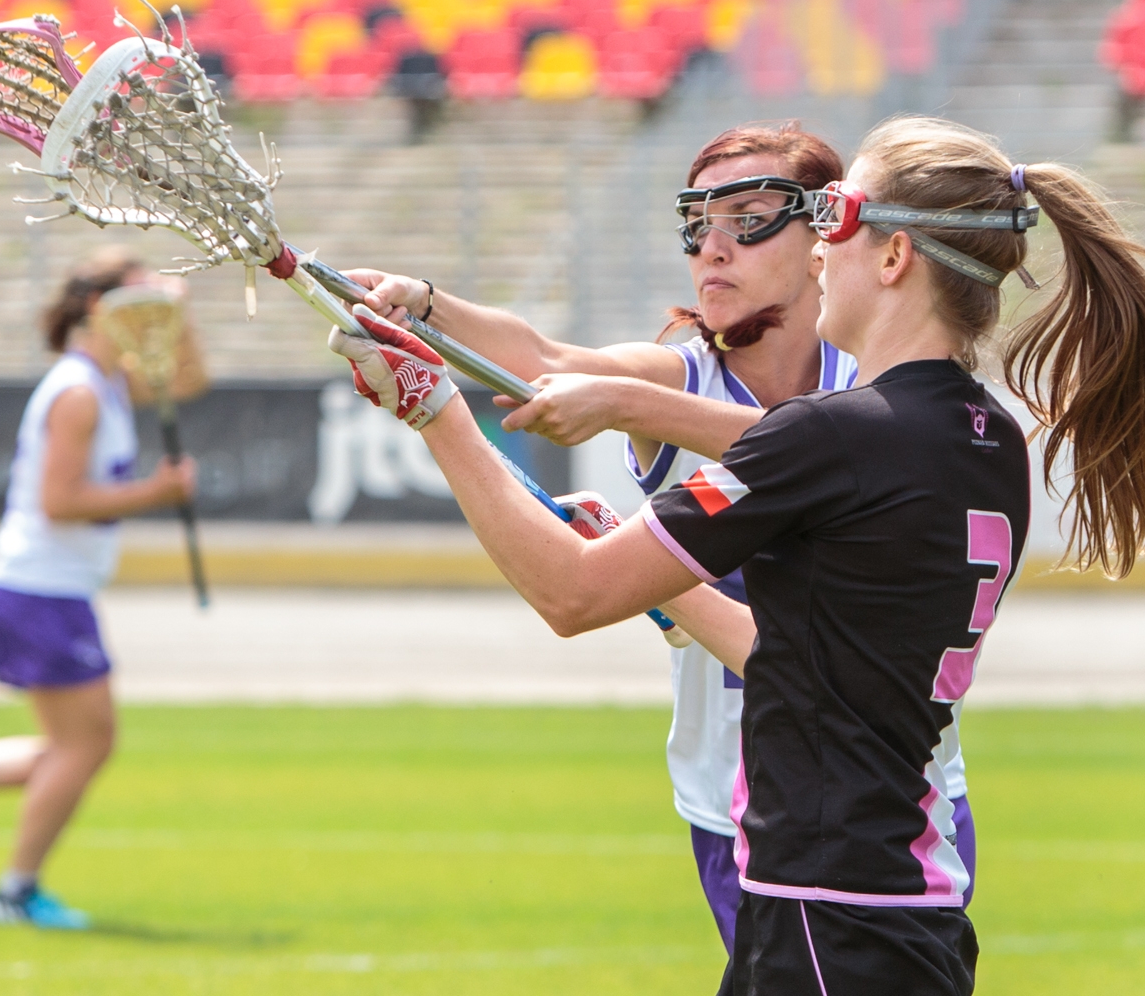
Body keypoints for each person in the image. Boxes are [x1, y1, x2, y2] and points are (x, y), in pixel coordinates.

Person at [327, 115, 1145, 994]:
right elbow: (797, 647)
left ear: (895, 256)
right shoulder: (990, 439)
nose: (824, 247)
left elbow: (572, 593)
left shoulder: (829, 438)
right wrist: (674, 589)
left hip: (832, 905)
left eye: (836, 214)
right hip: (891, 892)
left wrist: (431, 406)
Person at [349, 122, 923, 957]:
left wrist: (663, 575)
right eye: (698, 225)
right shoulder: (686, 374)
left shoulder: (875, 391)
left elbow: (810, 455)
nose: (713, 248)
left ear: (823, 237)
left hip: (894, 796)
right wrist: (426, 305)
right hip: (735, 802)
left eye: (749, 217)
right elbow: (546, 355)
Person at [0, 247, 205, 929]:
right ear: (94, 309)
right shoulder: (78, 392)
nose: (145, 317)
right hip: (41, 588)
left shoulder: (109, 379)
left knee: (71, 746)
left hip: (52, 589)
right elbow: (60, 500)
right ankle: (14, 891)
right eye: (133, 305)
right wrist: (158, 491)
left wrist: (178, 319)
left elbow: (189, 379)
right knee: (86, 744)